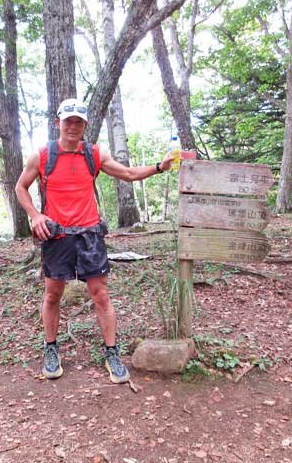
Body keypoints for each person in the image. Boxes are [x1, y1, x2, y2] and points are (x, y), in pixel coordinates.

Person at [15, 98, 175, 383]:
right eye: (68, 121)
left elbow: (127, 173)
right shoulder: (40, 156)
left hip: (89, 235)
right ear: (58, 123)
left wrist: (159, 167)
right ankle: (50, 348)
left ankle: (111, 351)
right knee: (53, 294)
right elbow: (20, 187)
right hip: (57, 235)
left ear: (85, 125)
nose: (73, 126)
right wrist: (35, 215)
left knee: (100, 295)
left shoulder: (95, 155)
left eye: (79, 122)